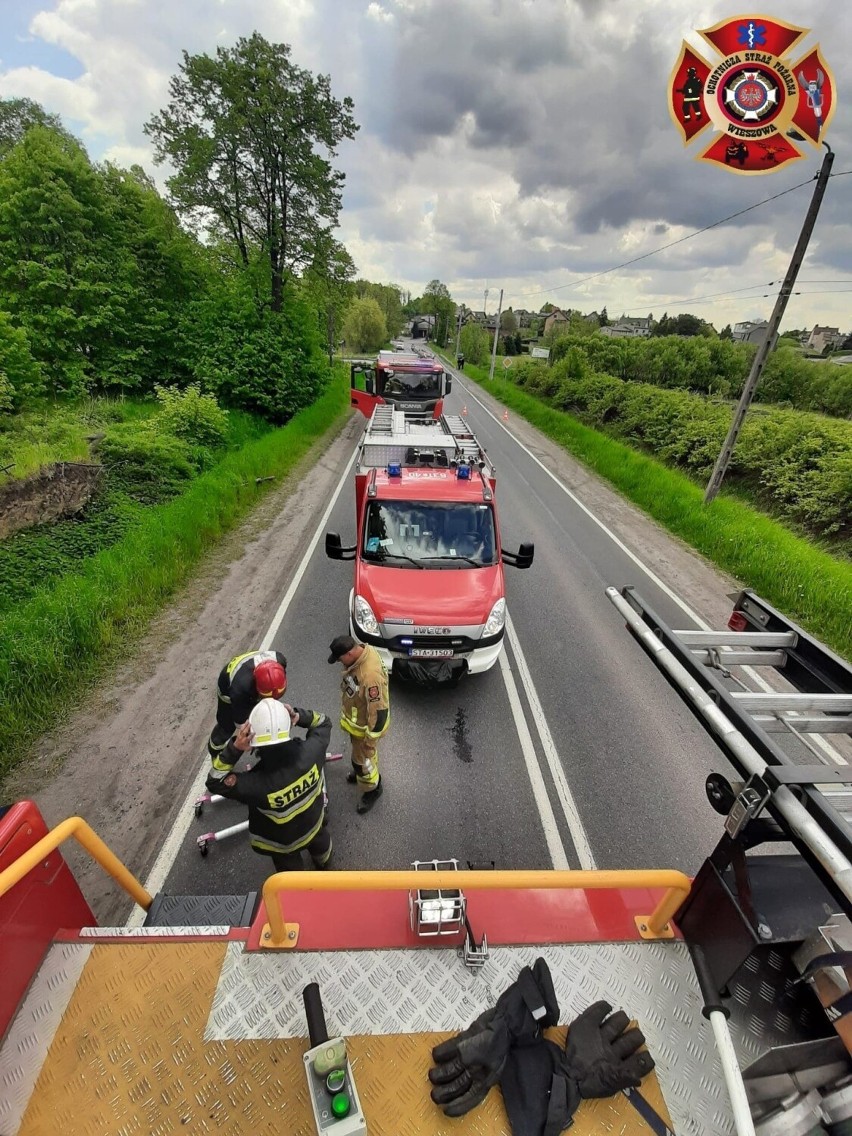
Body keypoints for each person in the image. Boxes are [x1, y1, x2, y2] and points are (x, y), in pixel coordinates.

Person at [207, 698, 333, 872]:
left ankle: (298, 890)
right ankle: (324, 864)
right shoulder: (312, 752)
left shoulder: (255, 784)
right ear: (287, 728)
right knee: (322, 847)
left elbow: (215, 781)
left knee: (292, 876)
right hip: (314, 825)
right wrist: (298, 715)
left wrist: (235, 748)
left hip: (283, 846)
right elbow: (323, 722)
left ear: (253, 742)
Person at [328, 635, 389, 814]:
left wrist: (369, 743)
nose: (340, 663)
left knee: (362, 763)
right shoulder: (364, 652)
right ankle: (362, 770)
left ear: (349, 653)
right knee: (362, 758)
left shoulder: (370, 676)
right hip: (357, 725)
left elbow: (379, 713)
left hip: (364, 730)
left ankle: (372, 789)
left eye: (340, 659)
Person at [207, 650, 287, 763]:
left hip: (251, 681)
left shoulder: (280, 661)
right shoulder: (240, 689)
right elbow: (242, 724)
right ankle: (216, 753)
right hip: (228, 685)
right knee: (226, 726)